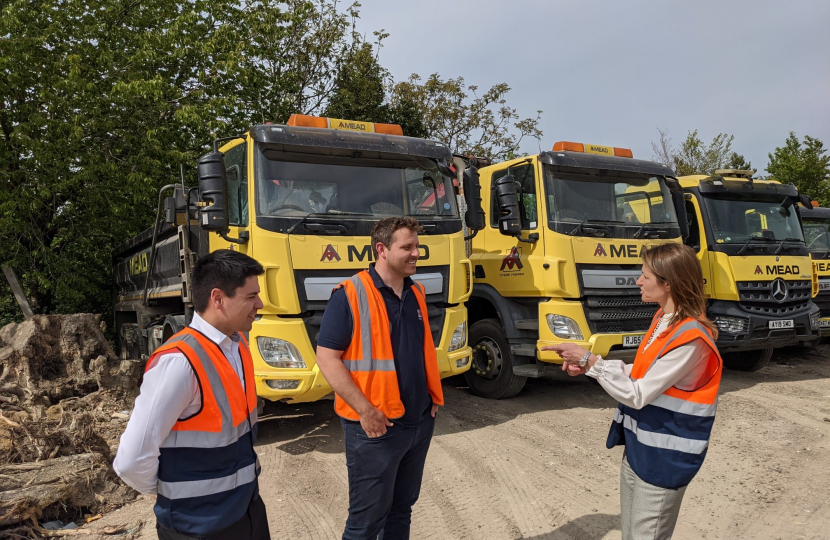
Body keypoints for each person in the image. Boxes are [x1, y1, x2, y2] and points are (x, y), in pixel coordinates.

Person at [544, 243, 722, 540]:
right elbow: (639, 373)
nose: (638, 281)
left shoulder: (691, 338)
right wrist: (591, 364)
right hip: (642, 450)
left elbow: (638, 393)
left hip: (665, 459)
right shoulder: (663, 321)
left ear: (668, 283)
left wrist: (589, 361)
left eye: (645, 276)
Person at [114, 250, 270, 540]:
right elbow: (131, 460)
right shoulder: (179, 362)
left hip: (246, 512)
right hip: (197, 526)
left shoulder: (236, 346)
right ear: (218, 298)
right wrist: (170, 493)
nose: (259, 304)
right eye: (250, 297)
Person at [316, 217, 444, 540]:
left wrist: (432, 399)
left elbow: (420, 352)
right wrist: (365, 411)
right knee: (366, 522)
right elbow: (327, 359)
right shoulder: (349, 294)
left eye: (417, 246)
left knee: (401, 512)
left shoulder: (416, 293)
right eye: (408, 247)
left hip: (417, 425)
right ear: (382, 250)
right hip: (375, 428)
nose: (417, 253)